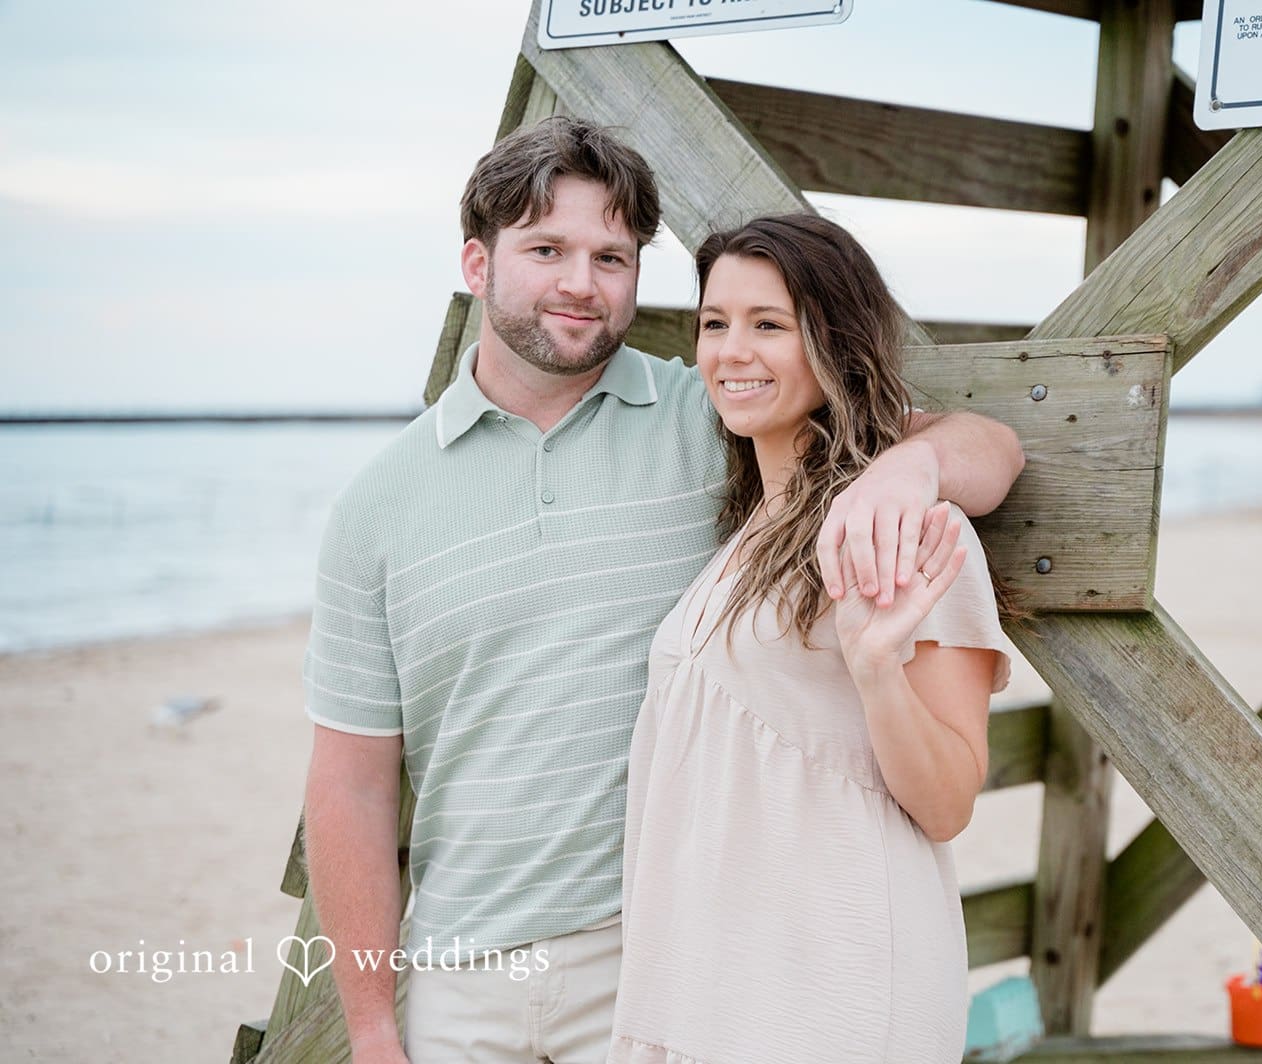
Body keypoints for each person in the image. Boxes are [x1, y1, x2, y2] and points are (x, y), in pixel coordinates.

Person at [300, 117, 1024, 1064]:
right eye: (547, 248)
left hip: (656, 953)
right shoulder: (376, 506)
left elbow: (985, 444)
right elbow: (351, 784)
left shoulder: (709, 410)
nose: (580, 282)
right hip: (459, 974)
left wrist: (910, 469)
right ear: (476, 265)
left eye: (613, 255)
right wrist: (369, 1030)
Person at [606, 214, 1015, 1064]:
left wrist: (874, 669)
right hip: (712, 977)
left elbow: (947, 805)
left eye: (769, 325)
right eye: (715, 324)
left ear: (834, 342)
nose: (732, 351)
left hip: (833, 981)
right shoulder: (746, 535)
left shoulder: (909, 530)